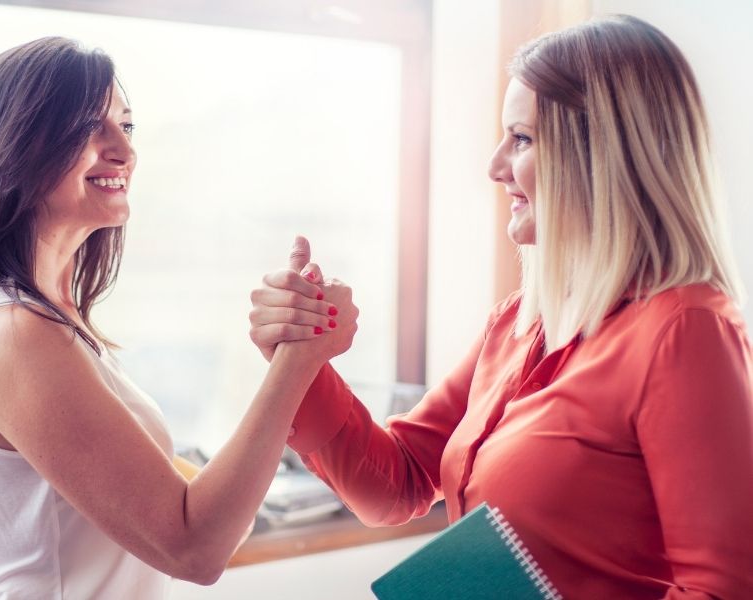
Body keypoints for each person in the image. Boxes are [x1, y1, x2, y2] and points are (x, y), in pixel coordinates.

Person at [248, 15, 753, 599]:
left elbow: (724, 591)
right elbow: (398, 482)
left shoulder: (686, 332)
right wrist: (303, 360)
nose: (493, 167)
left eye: (521, 138)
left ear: (602, 154)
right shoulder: (518, 322)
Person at [0, 37, 357, 599]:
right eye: (88, 126)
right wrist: (299, 357)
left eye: (126, 125)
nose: (123, 150)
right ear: (15, 147)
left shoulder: (25, 316)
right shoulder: (14, 335)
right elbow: (194, 547)